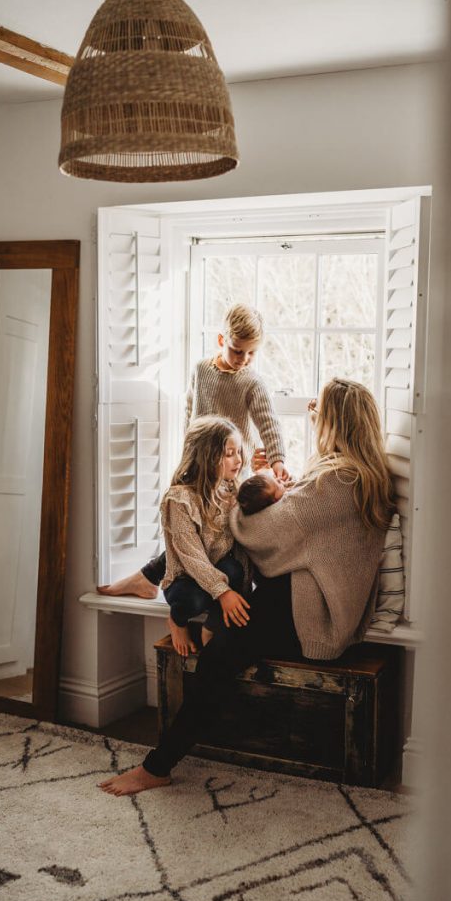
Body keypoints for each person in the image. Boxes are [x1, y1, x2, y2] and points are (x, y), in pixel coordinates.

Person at [99, 378, 394, 797]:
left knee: (220, 655)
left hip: (311, 619)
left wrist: (238, 497)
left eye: (320, 411)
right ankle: (173, 595)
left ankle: (157, 766)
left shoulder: (336, 484)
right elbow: (297, 519)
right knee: (220, 594)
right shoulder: (359, 476)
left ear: (335, 423)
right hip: (311, 602)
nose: (313, 414)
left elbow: (258, 531)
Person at [97, 303, 288, 599]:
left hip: (232, 473)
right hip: (199, 469)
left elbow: (269, 423)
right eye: (238, 350)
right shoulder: (201, 370)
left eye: (252, 353)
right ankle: (155, 582)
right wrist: (189, 455)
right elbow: (190, 412)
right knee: (183, 528)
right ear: (222, 340)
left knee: (218, 536)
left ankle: (150, 579)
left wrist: (277, 461)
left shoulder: (252, 382)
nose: (244, 359)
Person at [156, 416, 251, 659]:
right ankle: (177, 622)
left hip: (215, 571)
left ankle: (212, 627)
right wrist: (222, 591)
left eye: (238, 452)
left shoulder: (231, 489)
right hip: (185, 578)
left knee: (236, 573)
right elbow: (191, 557)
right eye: (230, 453)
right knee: (194, 600)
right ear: (207, 457)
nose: (238, 459)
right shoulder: (179, 499)